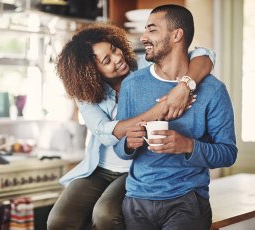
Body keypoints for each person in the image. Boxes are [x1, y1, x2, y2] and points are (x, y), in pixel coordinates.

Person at [47, 23, 215, 230]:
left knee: (105, 214)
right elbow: (107, 132)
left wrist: (184, 86)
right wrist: (163, 107)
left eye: (114, 49)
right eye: (107, 60)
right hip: (99, 168)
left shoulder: (148, 66)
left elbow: (204, 55)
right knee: (58, 221)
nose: (118, 58)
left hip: (136, 167)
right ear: (90, 73)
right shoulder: (86, 94)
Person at [114, 4, 237, 230]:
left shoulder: (213, 90)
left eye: (152, 30)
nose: (143, 37)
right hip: (137, 201)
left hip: (187, 201)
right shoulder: (132, 84)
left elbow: (228, 154)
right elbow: (119, 148)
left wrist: (187, 145)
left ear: (177, 34)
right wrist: (128, 145)